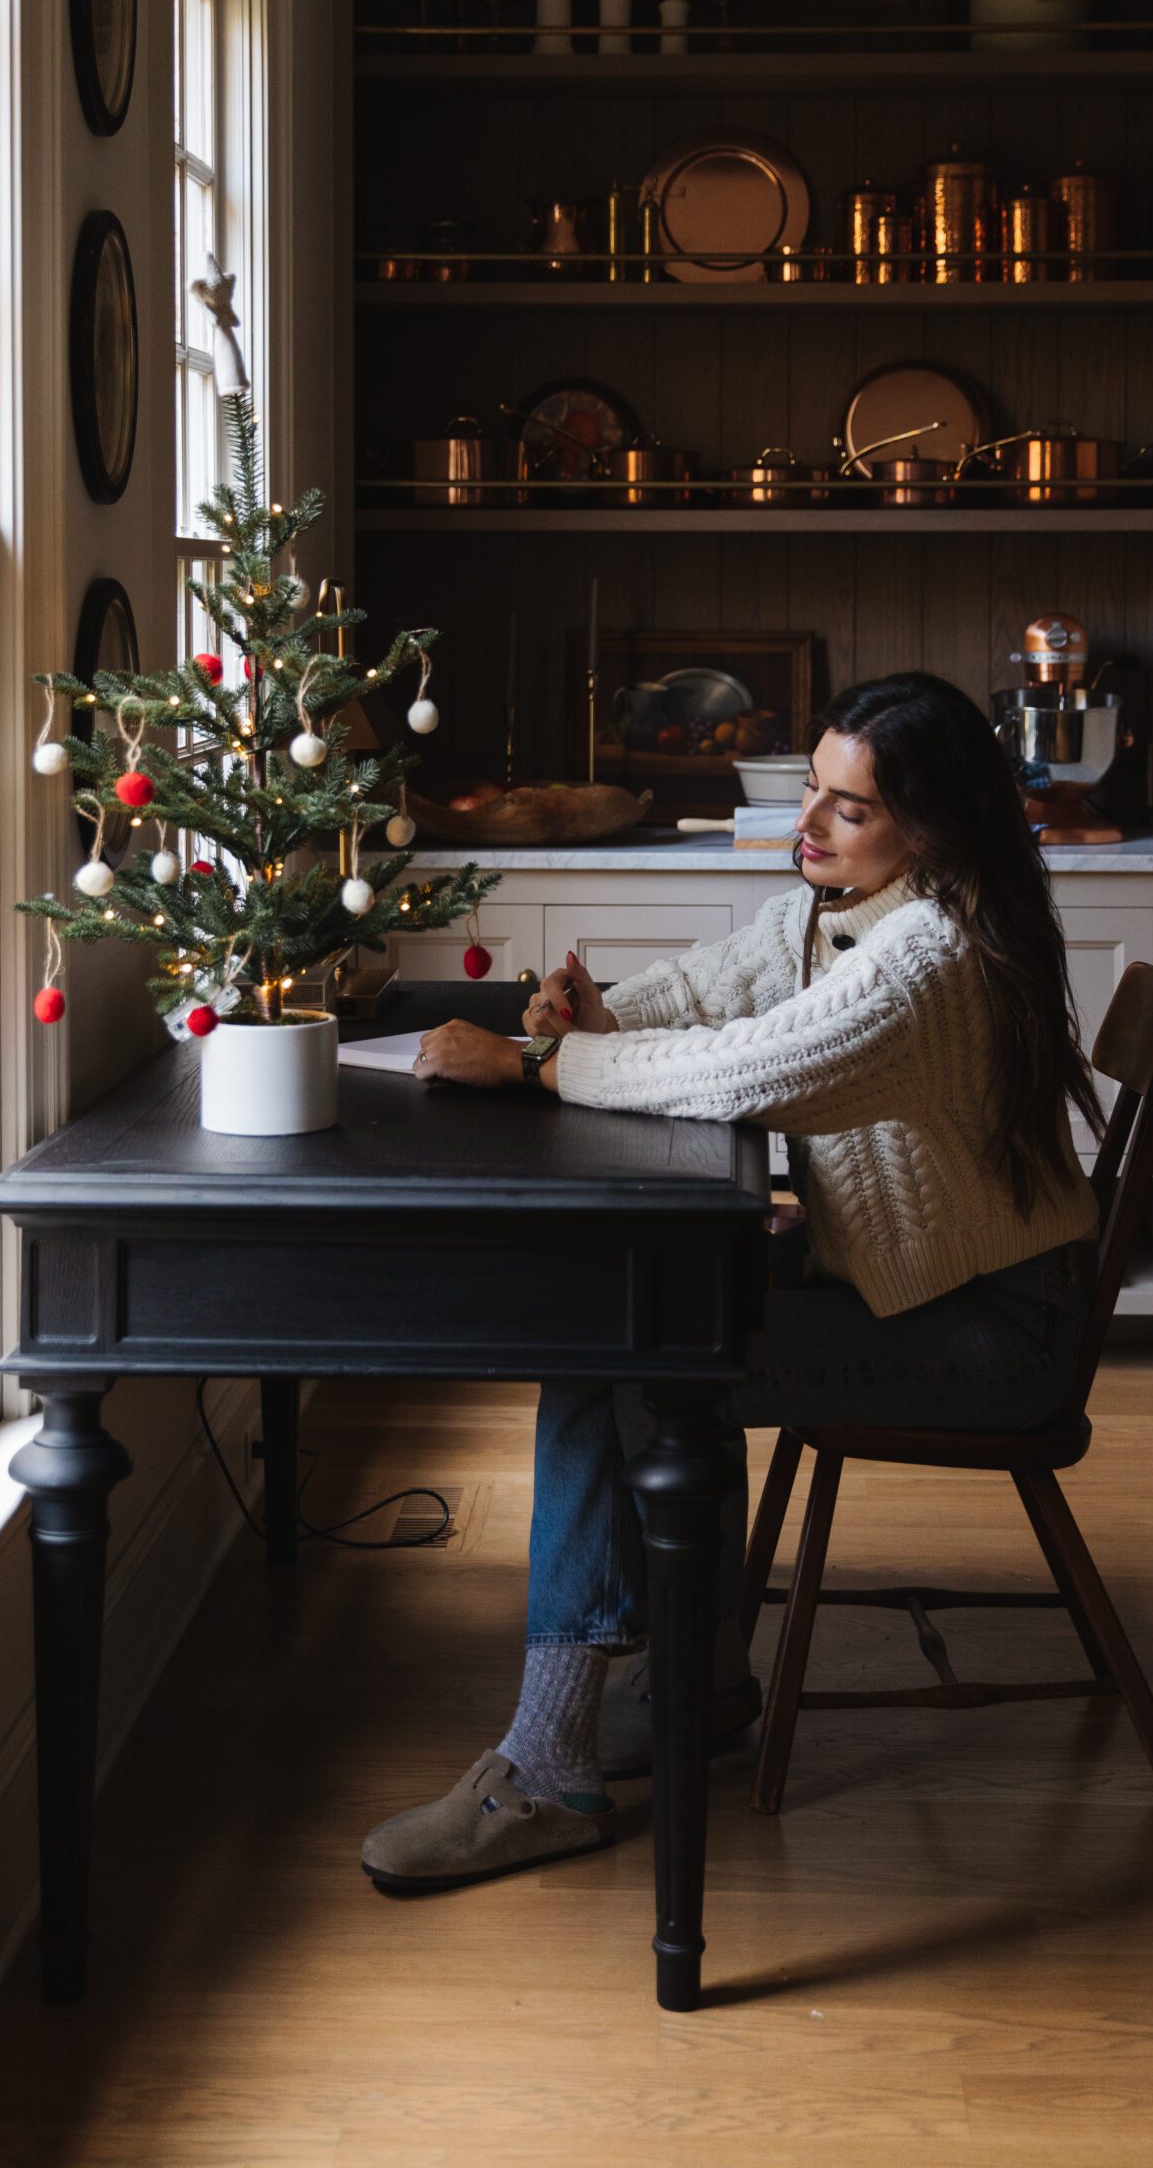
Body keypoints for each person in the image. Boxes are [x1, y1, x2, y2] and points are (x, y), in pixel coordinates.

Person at [361, 670, 1104, 1894]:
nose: (808, 822)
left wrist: (540, 1067)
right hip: (917, 1288)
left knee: (623, 1348)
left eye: (846, 806)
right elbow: (714, 989)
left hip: (988, 1330)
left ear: (934, 825)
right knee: (655, 1325)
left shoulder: (932, 953)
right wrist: (584, 1017)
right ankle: (695, 1683)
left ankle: (546, 1768)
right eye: (811, 786)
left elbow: (746, 1065)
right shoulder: (851, 905)